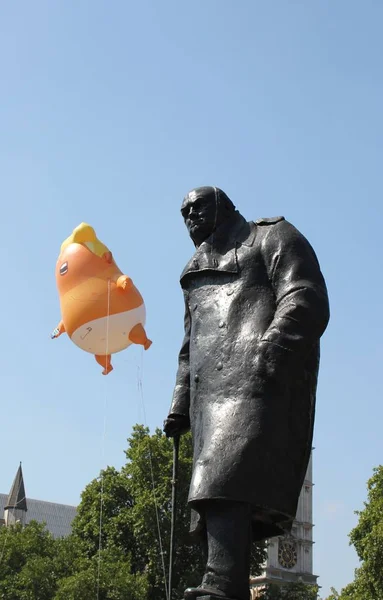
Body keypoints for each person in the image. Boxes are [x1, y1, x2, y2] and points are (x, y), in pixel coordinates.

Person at [164, 186, 330, 600]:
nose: (191, 217)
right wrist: (180, 403)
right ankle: (224, 583)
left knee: (224, 477)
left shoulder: (272, 237)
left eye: (198, 207)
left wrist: (271, 349)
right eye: (184, 212)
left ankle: (221, 583)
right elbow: (191, 344)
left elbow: (306, 295)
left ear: (223, 206)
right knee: (210, 493)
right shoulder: (194, 270)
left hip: (255, 385)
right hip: (209, 397)